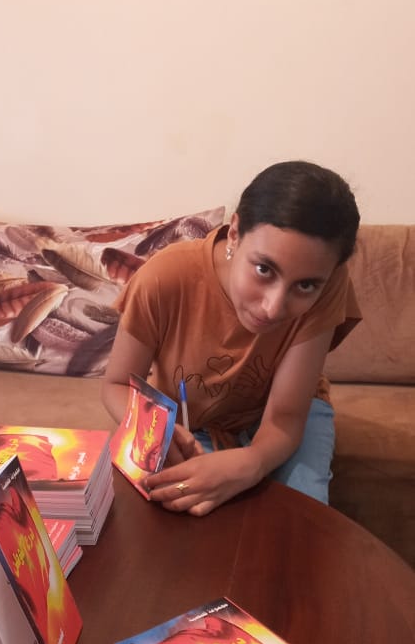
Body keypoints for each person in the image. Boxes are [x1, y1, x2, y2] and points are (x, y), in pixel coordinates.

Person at [102, 160, 361, 516]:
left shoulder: (330, 285)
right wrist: (157, 427)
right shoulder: (164, 277)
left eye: (305, 286)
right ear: (235, 233)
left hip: (285, 415)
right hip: (191, 421)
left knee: (299, 519)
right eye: (264, 269)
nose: (273, 308)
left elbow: (286, 415)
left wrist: (253, 462)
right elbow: (116, 385)